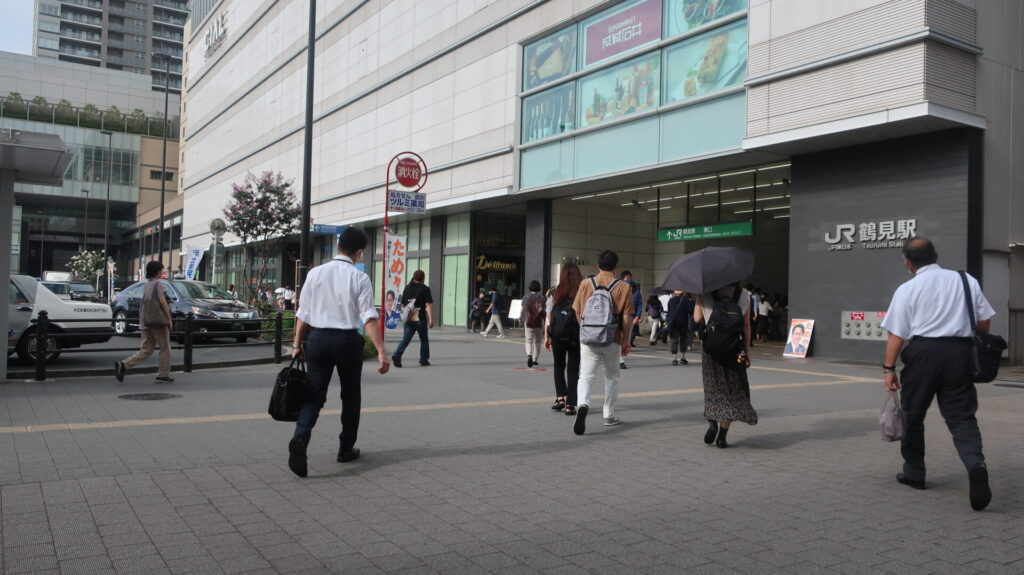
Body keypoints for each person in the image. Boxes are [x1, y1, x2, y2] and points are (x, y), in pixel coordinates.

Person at [880, 237, 993, 511]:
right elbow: (985, 319)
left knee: (913, 415)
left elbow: (897, 335)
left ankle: (915, 473)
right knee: (962, 417)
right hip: (960, 354)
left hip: (922, 354)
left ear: (907, 263)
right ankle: (975, 464)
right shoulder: (966, 281)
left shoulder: (907, 289)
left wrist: (888, 369)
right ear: (937, 255)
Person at [288, 227, 390, 477]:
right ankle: (345, 448)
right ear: (359, 252)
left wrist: (296, 345)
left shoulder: (315, 273)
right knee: (351, 396)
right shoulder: (359, 278)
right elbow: (368, 317)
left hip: (319, 340)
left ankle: (300, 438)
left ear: (337, 247)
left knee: (314, 396)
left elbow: (303, 315)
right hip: (346, 341)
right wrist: (380, 351)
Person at [572, 250, 634, 435]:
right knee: (612, 376)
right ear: (616, 267)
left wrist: (586, 329)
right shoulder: (623, 286)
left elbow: (577, 311)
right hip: (611, 338)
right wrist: (625, 340)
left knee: (586, 376)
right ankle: (609, 414)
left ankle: (583, 404)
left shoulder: (586, 283)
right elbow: (627, 316)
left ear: (598, 266)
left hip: (588, 338)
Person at [694, 281, 757, 448]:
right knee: (732, 391)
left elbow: (697, 318)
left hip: (711, 349)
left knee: (713, 388)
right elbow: (746, 325)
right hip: (734, 350)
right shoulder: (744, 294)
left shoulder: (704, 292)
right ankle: (722, 437)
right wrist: (747, 352)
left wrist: (699, 300)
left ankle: (712, 420)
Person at [114, 260, 174, 384]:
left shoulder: (146, 285)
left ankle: (124, 365)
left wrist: (143, 322)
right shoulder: (159, 284)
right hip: (157, 321)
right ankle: (163, 375)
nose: (162, 273)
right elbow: (163, 302)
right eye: (161, 271)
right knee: (165, 348)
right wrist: (169, 319)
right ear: (158, 272)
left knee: (146, 349)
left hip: (146, 320)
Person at [545, 264, 582, 416]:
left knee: (558, 366)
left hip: (557, 334)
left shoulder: (554, 291)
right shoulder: (582, 290)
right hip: (575, 335)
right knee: (573, 369)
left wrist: (547, 335)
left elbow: (549, 315)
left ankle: (560, 398)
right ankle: (571, 404)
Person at [392, 270, 434, 368]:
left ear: (414, 277)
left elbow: (402, 304)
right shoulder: (425, 289)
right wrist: (431, 319)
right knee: (424, 340)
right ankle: (423, 360)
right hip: (420, 318)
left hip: (409, 317)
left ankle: (397, 354)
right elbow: (428, 305)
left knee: (406, 338)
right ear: (423, 278)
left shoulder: (407, 288)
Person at [521, 280, 546, 367]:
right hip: (539, 322)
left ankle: (529, 355)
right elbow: (544, 311)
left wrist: (521, 318)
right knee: (537, 342)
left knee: (528, 340)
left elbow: (523, 309)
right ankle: (535, 359)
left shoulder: (526, 297)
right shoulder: (542, 298)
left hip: (528, 321)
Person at [666, 290, 694, 365]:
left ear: (675, 293)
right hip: (683, 323)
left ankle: (674, 359)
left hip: (673, 323)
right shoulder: (686, 300)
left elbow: (669, 311)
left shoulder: (671, 300)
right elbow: (690, 311)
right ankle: (683, 357)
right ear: (683, 293)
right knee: (683, 340)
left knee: (674, 340)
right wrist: (691, 302)